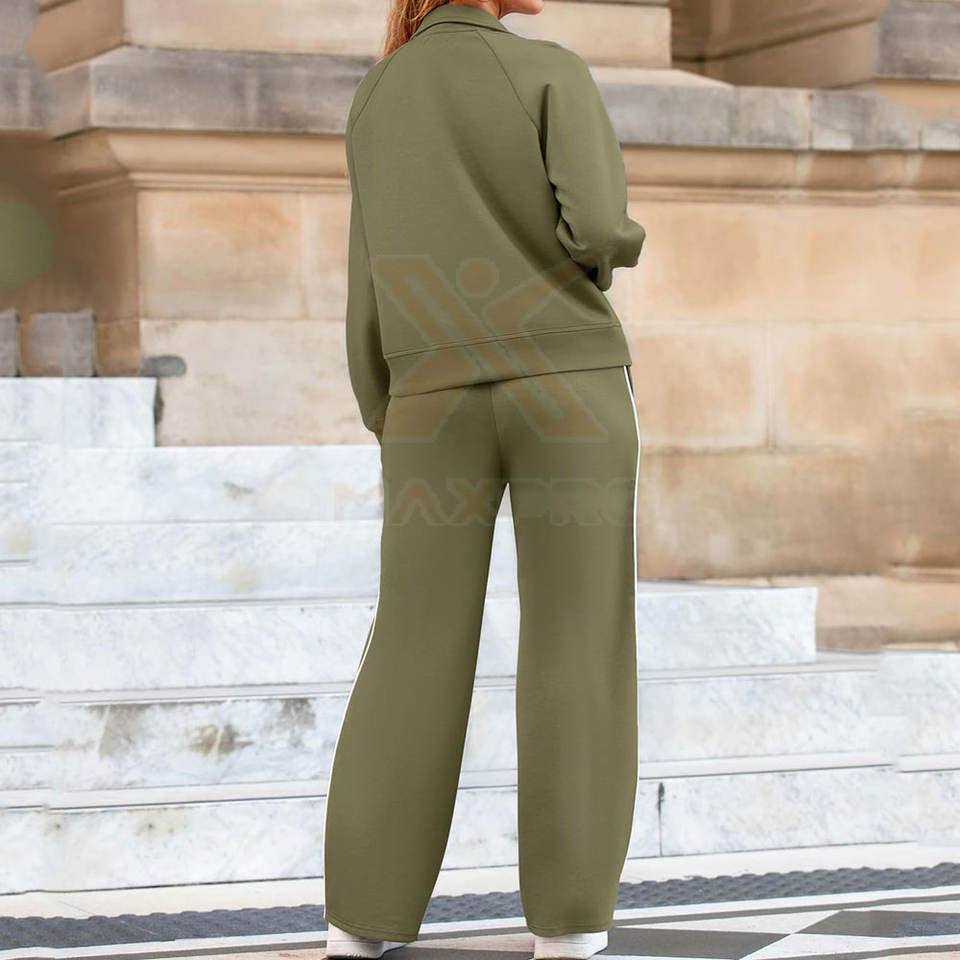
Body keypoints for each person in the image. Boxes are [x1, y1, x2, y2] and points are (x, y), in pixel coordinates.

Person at [323, 0, 646, 956]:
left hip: (427, 402)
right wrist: (616, 249)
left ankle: (358, 922)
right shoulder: (550, 71)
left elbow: (368, 272)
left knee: (410, 643)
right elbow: (598, 225)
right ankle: (571, 928)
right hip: (568, 388)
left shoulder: (379, 92)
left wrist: (388, 405)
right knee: (577, 641)